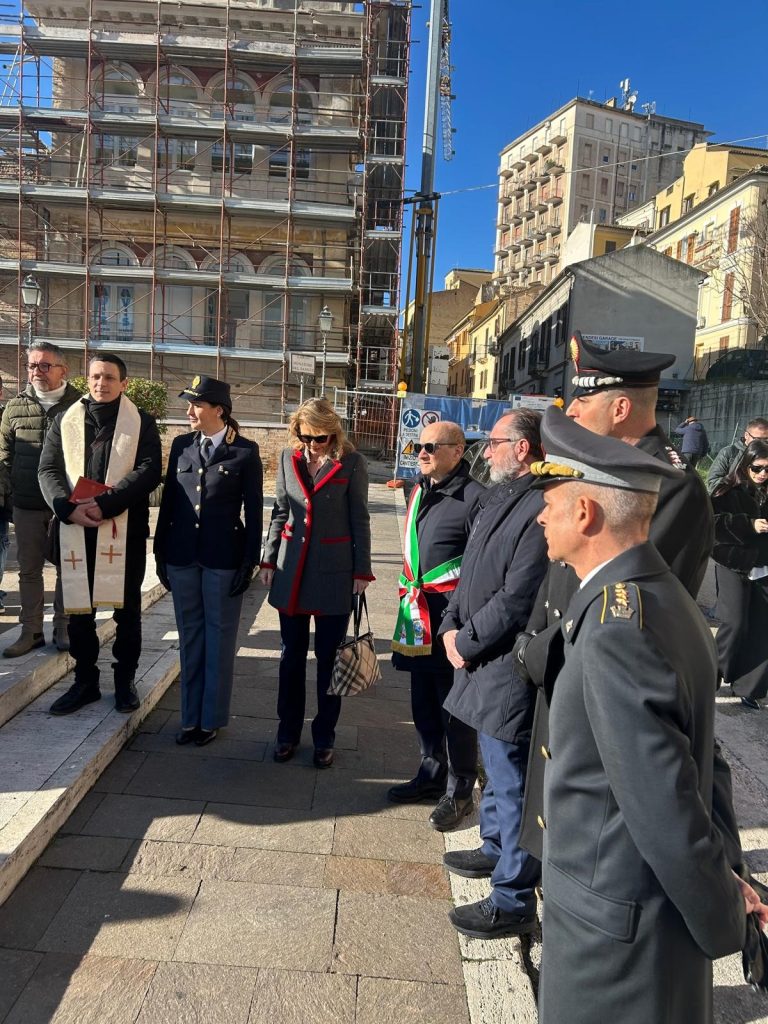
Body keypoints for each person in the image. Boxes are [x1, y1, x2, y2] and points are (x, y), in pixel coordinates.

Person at [530, 406, 762, 1024]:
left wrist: (725, 916)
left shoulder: (616, 629)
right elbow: (706, 760)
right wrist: (729, 869)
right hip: (634, 926)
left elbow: (665, 807)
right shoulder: (659, 596)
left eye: (549, 503)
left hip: (616, 943)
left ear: (585, 513)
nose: (540, 516)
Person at [515, 331, 740, 868]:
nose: (572, 410)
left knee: (605, 838)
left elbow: (623, 600)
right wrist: (533, 636)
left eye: (584, 400)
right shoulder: (603, 467)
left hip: (602, 667)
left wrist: (538, 652)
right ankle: (524, 879)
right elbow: (561, 569)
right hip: (565, 657)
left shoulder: (669, 486)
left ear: (620, 408)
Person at [439, 410, 549, 937]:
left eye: (495, 442)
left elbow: (517, 596)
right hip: (477, 654)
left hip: (505, 662)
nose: (486, 451)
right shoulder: (500, 495)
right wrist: (449, 624)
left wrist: (466, 640)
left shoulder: (540, 504)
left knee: (512, 780)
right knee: (495, 768)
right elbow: (470, 573)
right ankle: (494, 847)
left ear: (522, 448)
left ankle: (513, 899)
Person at [39, 354, 162, 715]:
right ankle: (85, 682)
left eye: (109, 377)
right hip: (76, 529)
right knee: (80, 613)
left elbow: (149, 470)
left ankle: (124, 681)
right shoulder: (65, 419)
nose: (100, 383)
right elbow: (48, 469)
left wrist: (105, 504)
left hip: (123, 531)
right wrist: (67, 508)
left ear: (123, 383)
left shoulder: (141, 422)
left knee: (127, 612)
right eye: (95, 376)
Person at [259, 398, 373, 769]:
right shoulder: (287, 459)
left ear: (333, 433)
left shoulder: (352, 463)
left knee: (329, 660)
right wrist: (269, 559)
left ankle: (325, 736)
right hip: (291, 571)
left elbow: (360, 518)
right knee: (290, 657)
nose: (313, 445)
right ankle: (287, 733)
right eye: (306, 437)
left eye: (320, 438)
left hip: (334, 573)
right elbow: (280, 511)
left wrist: (362, 571)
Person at [154, 375, 263, 746]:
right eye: (189, 404)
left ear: (219, 410)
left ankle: (210, 719)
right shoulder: (181, 445)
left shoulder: (244, 451)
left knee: (218, 639)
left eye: (197, 405)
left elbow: (254, 512)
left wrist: (249, 561)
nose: (189, 411)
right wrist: (160, 552)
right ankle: (189, 719)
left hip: (222, 559)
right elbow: (170, 502)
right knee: (190, 638)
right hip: (182, 555)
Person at [389, 420, 484, 826]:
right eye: (418, 447)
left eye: (431, 447)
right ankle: (430, 773)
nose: (422, 454)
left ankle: (460, 791)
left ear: (457, 451)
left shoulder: (475, 498)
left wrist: (462, 623)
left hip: (451, 621)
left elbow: (479, 569)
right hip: (419, 615)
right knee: (423, 702)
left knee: (454, 710)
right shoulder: (419, 490)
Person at [0, 344, 80, 655]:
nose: (37, 372)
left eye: (45, 365)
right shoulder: (15, 407)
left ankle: (63, 627)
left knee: (67, 568)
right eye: (32, 366)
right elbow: (4, 456)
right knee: (29, 570)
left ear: (63, 370)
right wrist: (11, 496)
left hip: (66, 505)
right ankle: (31, 631)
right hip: (27, 504)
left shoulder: (80, 406)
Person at [711, 439, 768, 710]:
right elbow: (712, 524)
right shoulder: (726, 490)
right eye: (757, 468)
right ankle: (708, 677)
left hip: (764, 565)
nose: (762, 474)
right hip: (733, 563)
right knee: (734, 624)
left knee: (762, 627)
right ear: (746, 465)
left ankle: (749, 687)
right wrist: (748, 524)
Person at [707, 417, 768, 495]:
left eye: (766, 440)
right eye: (757, 439)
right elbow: (713, 483)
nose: (762, 443)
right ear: (746, 435)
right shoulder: (729, 453)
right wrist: (741, 488)